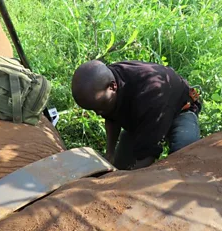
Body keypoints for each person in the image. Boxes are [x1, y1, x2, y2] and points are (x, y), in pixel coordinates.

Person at [71, 60, 201, 170]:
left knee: (184, 159)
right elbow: (110, 116)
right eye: (93, 109)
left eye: (100, 107)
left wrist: (129, 183)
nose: (98, 113)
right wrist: (110, 154)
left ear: (112, 87)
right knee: (119, 165)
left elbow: (147, 155)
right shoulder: (107, 80)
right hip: (141, 119)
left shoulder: (151, 94)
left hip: (179, 111)